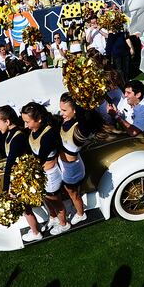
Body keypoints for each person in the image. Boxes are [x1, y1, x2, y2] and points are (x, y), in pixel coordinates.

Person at [21, 102, 68, 240]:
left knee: (55, 201)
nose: (26, 126)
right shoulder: (33, 130)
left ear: (39, 119)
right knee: (46, 198)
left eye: (27, 122)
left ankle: (64, 224)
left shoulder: (48, 135)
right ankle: (53, 217)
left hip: (51, 174)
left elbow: (40, 158)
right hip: (41, 174)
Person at [58, 93, 96, 227]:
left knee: (73, 193)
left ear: (75, 110)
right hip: (66, 164)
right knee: (70, 190)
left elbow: (83, 116)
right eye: (60, 109)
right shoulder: (65, 121)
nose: (61, 113)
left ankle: (81, 213)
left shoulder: (80, 128)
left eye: (64, 110)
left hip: (72, 167)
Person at [0, 105, 29, 195]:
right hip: (18, 176)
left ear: (7, 122)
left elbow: (9, 164)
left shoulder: (17, 138)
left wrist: (5, 189)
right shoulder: (9, 133)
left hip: (24, 177)